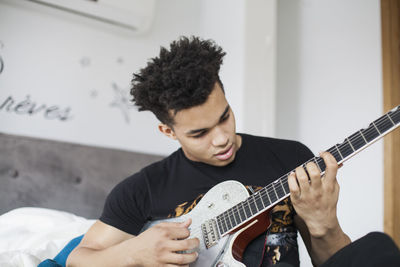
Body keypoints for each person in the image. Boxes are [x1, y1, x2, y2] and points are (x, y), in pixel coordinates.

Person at [66, 36, 354, 267]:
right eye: (200, 133)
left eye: (224, 117)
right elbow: (79, 258)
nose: (221, 139)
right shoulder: (142, 190)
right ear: (169, 131)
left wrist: (324, 224)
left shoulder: (290, 158)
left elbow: (334, 262)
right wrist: (134, 252)